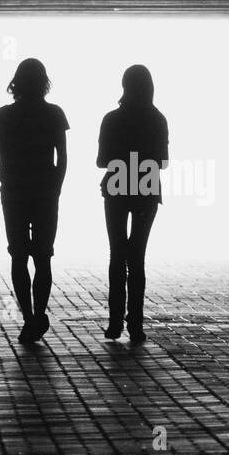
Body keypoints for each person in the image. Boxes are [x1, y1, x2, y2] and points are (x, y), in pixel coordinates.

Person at [0, 58, 68, 344]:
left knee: (19, 256)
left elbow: (0, 152)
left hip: (13, 193)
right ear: (44, 82)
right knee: (43, 256)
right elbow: (63, 157)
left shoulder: (3, 116)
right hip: (46, 192)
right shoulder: (55, 114)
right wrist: (56, 187)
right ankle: (38, 313)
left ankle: (29, 318)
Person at [97, 64, 168, 345]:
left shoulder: (111, 119)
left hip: (116, 188)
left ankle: (115, 322)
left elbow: (102, 161)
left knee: (117, 254)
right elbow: (162, 161)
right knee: (137, 258)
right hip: (146, 188)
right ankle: (135, 324)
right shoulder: (158, 119)